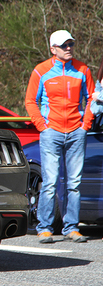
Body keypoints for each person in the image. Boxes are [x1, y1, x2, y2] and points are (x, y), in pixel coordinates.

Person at [25, 29, 95, 243]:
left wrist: (85, 125)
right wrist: (42, 126)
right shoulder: (41, 70)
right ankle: (44, 227)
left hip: (76, 132)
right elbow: (30, 101)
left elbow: (93, 97)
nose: (69, 48)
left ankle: (72, 228)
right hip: (51, 132)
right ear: (52, 49)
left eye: (71, 44)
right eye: (64, 45)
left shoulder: (83, 70)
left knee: (74, 183)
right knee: (50, 181)